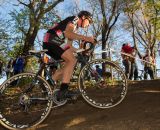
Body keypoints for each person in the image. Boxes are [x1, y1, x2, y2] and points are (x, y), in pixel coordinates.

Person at [43, 10, 95, 100]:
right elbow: (68, 33)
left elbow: (69, 46)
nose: (89, 25)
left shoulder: (75, 28)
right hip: (52, 39)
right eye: (89, 21)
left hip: (52, 41)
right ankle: (64, 91)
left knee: (68, 65)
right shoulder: (75, 19)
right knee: (72, 60)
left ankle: (48, 84)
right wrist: (86, 38)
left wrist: (81, 50)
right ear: (83, 17)